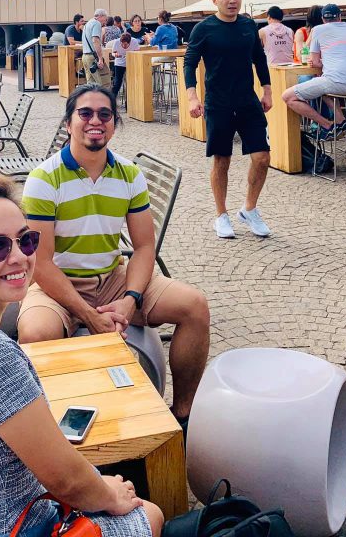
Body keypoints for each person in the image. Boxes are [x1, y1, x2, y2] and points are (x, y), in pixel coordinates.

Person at [0, 175, 162, 537]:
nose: (19, 257)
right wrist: (111, 494)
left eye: (26, 241)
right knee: (148, 514)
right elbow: (65, 481)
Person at [18, 84, 209, 437]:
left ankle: (183, 415)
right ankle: (46, 433)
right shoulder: (44, 179)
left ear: (114, 124)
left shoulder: (128, 174)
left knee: (194, 306)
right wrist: (88, 314)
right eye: (85, 113)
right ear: (68, 123)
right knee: (34, 334)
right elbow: (41, 264)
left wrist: (129, 299)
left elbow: (143, 248)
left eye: (104, 114)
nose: (95, 121)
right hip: (59, 284)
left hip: (112, 278)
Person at [183, 0, 273, 239]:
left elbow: (259, 59)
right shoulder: (204, 28)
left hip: (247, 101)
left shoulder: (248, 26)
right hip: (218, 103)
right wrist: (192, 96)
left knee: (263, 157)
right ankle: (221, 215)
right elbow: (190, 62)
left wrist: (267, 90)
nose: (232, 1)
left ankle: (249, 209)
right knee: (222, 160)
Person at [281, 3, 346, 138]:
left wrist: (321, 61)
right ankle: (342, 122)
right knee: (321, 87)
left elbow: (314, 62)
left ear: (323, 19)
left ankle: (327, 125)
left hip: (336, 82)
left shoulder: (318, 30)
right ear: (340, 17)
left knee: (287, 96)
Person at [81, 9, 111, 88]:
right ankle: (104, 100)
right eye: (105, 19)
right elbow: (95, 40)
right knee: (104, 82)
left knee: (90, 84)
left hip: (85, 56)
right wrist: (100, 58)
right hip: (93, 57)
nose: (105, 22)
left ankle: (89, 99)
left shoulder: (87, 24)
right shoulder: (97, 23)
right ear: (101, 16)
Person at [109, 31, 140, 96]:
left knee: (131, 83)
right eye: (122, 44)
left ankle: (129, 102)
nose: (123, 46)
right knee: (117, 83)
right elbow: (113, 53)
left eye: (125, 44)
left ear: (129, 42)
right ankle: (112, 100)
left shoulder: (134, 41)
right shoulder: (117, 42)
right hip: (119, 63)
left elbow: (138, 53)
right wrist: (115, 55)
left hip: (131, 63)